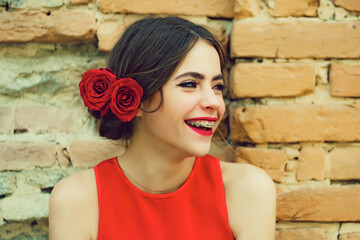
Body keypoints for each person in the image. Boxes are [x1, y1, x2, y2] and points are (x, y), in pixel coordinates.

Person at [49, 16, 276, 240]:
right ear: (133, 100)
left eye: (217, 86)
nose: (215, 102)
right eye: (190, 84)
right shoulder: (77, 200)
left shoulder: (247, 190)